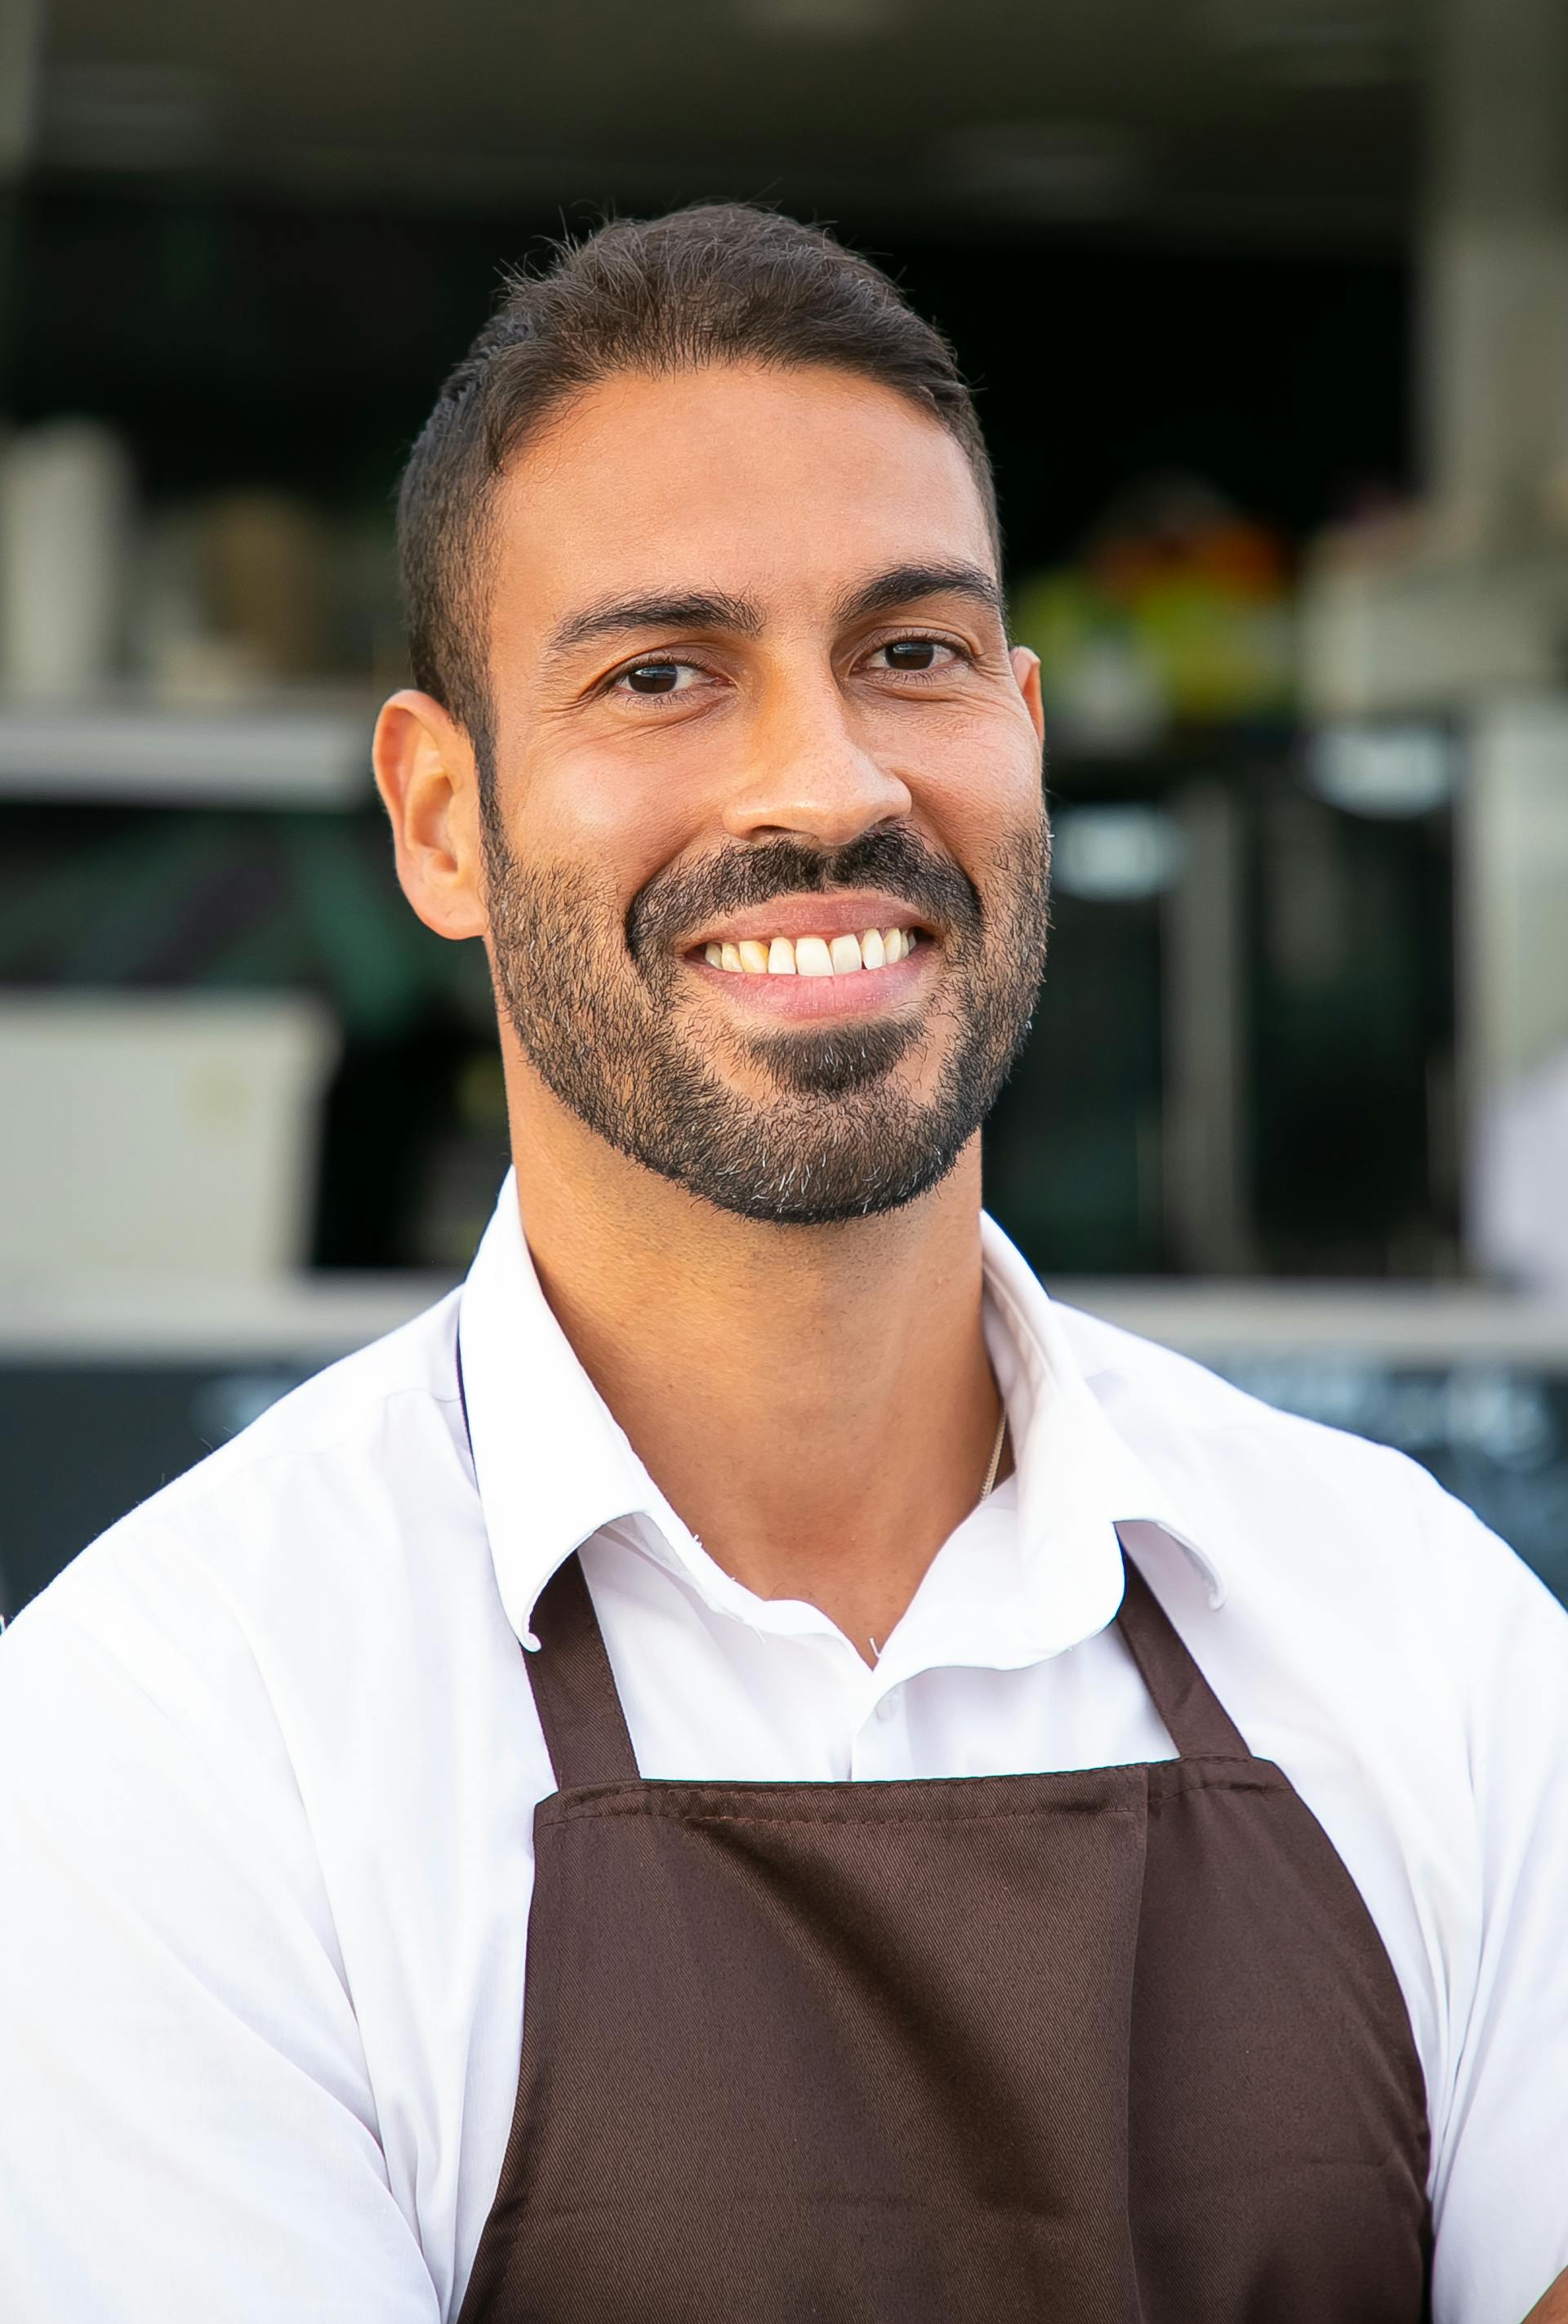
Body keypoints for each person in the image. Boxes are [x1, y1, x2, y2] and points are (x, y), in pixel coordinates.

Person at [1, 204, 1565, 2324]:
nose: (826, 782)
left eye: (911, 652)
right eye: (664, 673)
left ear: (1020, 725)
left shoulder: (1435, 1647)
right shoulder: (173, 1744)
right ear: (440, 817)